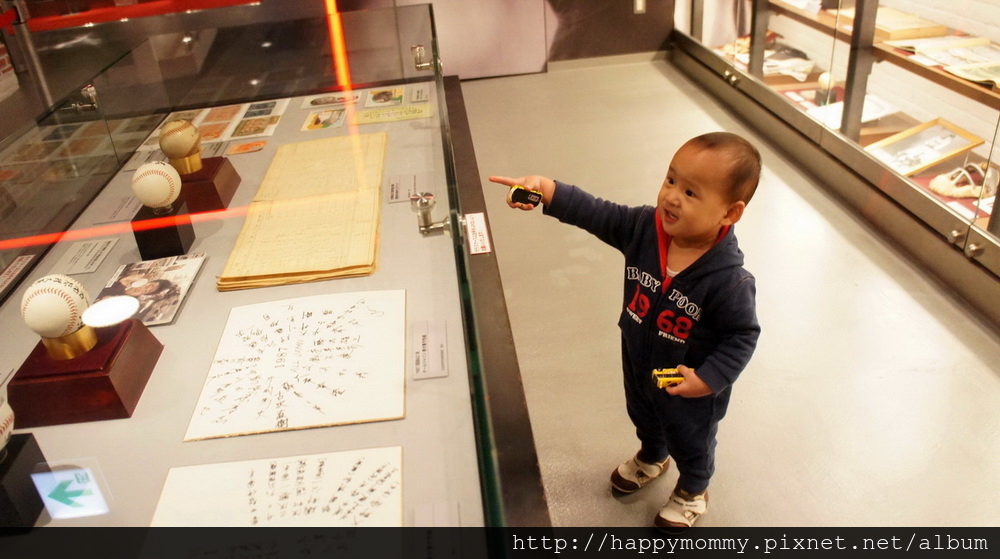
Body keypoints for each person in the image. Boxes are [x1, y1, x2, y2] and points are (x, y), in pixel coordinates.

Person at [489, 131, 761, 531]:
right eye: (670, 180)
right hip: (638, 355)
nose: (671, 196)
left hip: (687, 382)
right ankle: (652, 456)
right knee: (643, 413)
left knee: (690, 439)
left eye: (691, 192)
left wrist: (708, 380)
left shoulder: (730, 281)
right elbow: (598, 213)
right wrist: (547, 190)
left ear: (730, 213)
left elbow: (742, 336)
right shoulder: (644, 230)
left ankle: (693, 490)